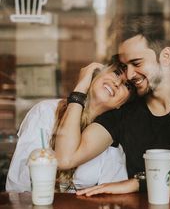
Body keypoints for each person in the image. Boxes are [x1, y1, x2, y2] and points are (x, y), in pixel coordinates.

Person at [55, 15, 170, 196]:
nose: (129, 75)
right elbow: (65, 158)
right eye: (125, 66)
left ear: (165, 56)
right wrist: (79, 91)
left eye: (136, 63)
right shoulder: (124, 111)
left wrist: (137, 183)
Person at [6, 62, 136, 192]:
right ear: (98, 74)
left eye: (127, 85)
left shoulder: (110, 141)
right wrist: (80, 89)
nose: (117, 83)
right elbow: (18, 184)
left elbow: (110, 200)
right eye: (116, 73)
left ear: (122, 104)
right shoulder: (45, 111)